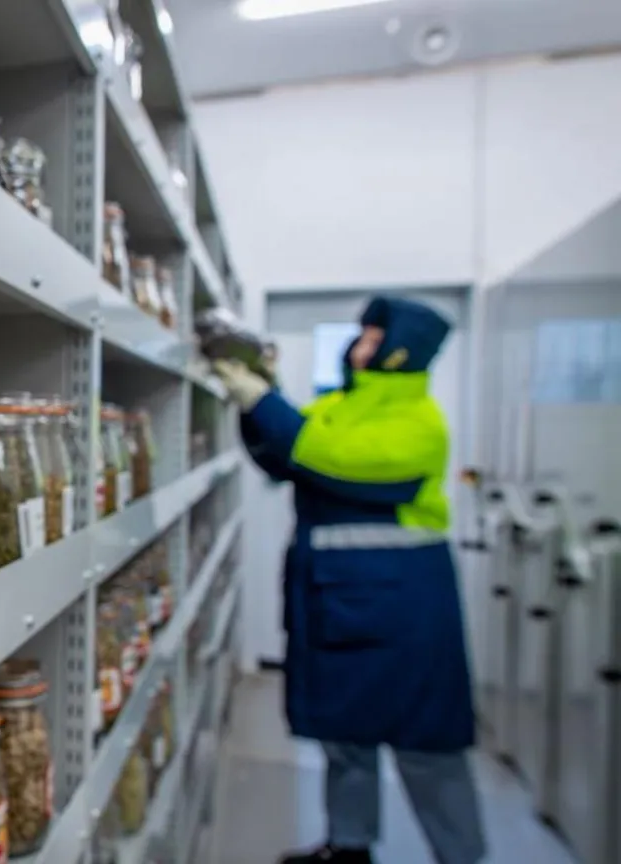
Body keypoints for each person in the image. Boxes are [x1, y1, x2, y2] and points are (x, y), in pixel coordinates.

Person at [212, 296, 486, 864]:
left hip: (405, 610)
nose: (356, 346)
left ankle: (462, 856)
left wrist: (261, 395)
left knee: (426, 745)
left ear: (397, 349)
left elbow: (318, 451)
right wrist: (254, 402)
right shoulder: (341, 404)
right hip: (338, 599)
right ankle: (349, 847)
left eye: (370, 336)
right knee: (346, 738)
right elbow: (283, 455)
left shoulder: (418, 425)